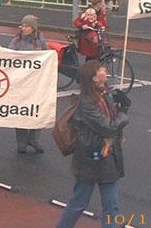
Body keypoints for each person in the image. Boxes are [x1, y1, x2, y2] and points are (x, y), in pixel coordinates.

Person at [56, 60, 129, 228]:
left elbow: (111, 122)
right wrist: (124, 113)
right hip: (91, 157)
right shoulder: (87, 102)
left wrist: (119, 106)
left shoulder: (105, 94)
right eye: (101, 69)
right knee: (79, 203)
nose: (105, 70)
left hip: (106, 156)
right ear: (94, 79)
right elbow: (108, 127)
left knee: (112, 206)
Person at [8, 15, 48, 154]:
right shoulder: (16, 42)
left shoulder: (40, 42)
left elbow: (47, 58)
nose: (23, 28)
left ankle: (34, 138)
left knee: (38, 110)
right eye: (22, 26)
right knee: (21, 111)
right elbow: (9, 58)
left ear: (33, 28)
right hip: (21, 83)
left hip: (36, 82)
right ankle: (22, 141)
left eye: (26, 26)